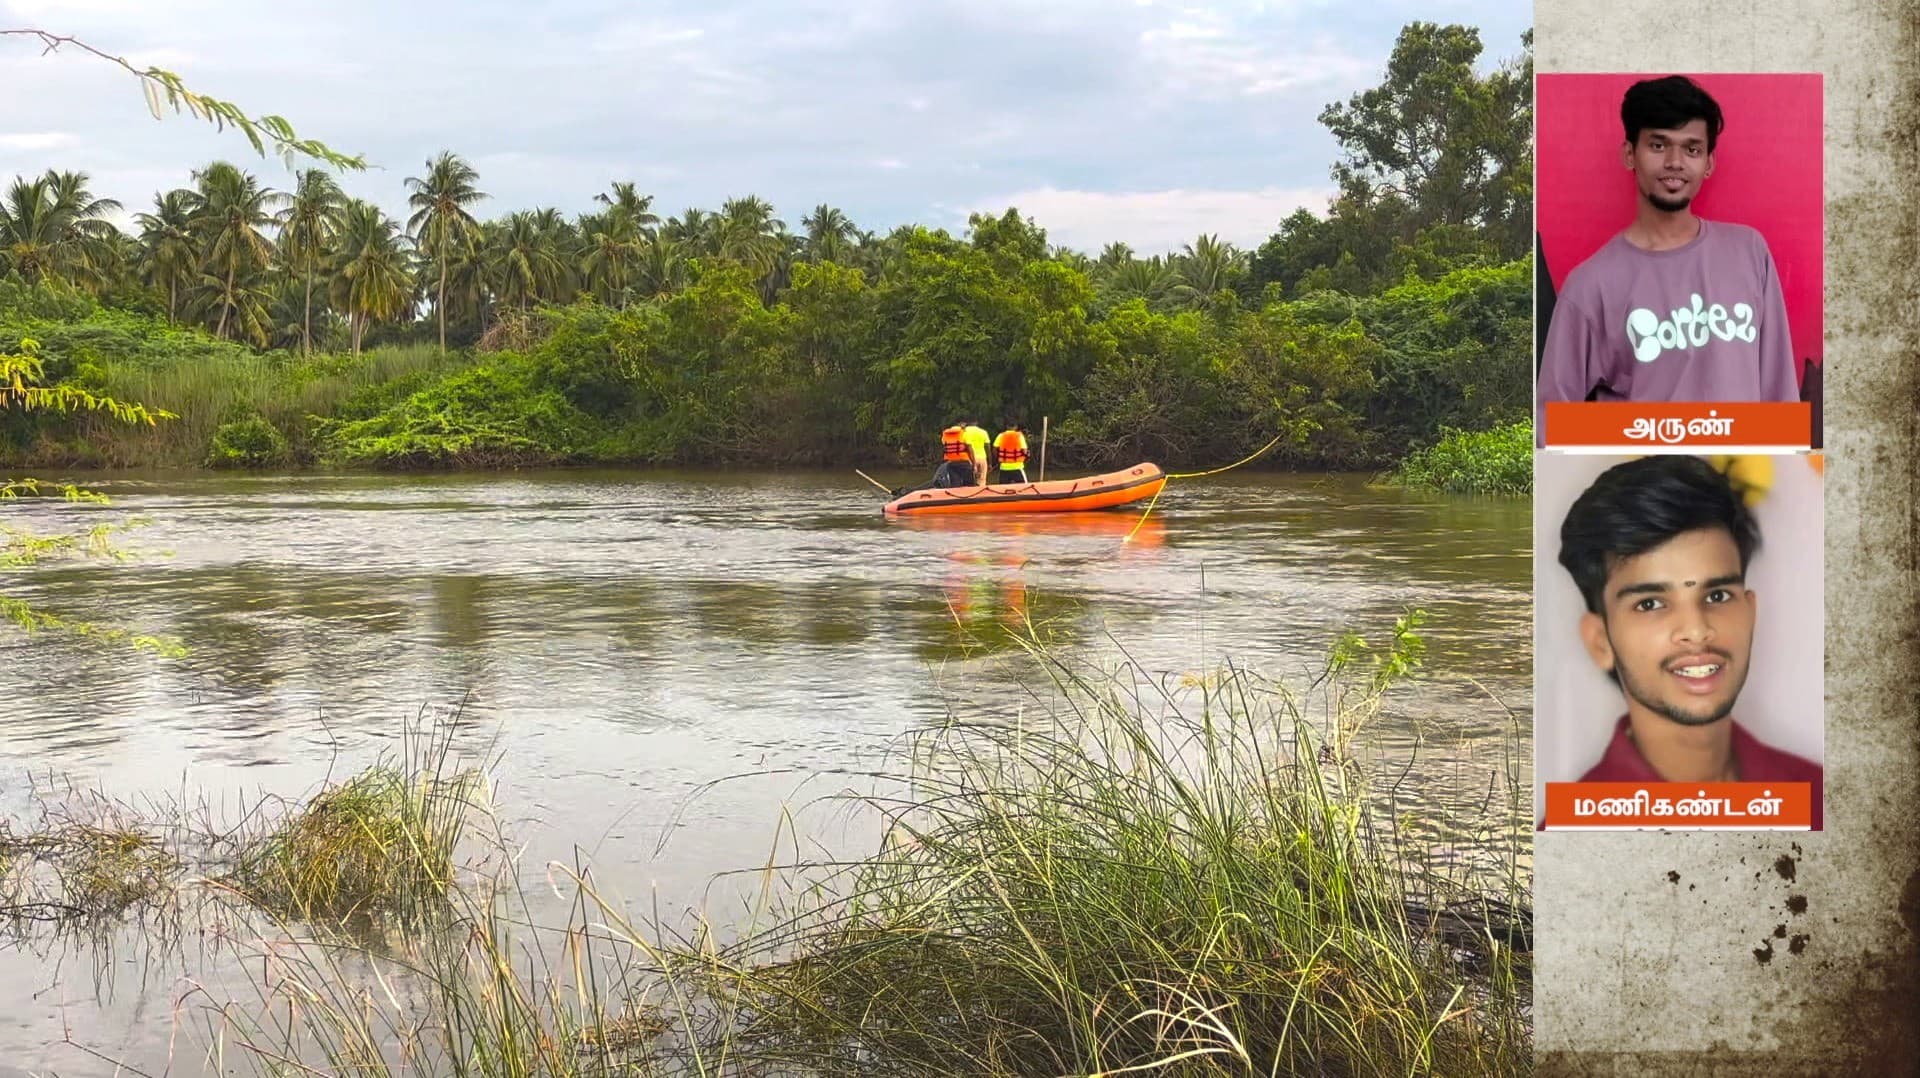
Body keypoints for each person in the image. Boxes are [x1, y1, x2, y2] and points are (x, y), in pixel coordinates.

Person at [1554, 454, 1822, 827]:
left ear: (1750, 613)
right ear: (1601, 642)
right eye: (1650, 604)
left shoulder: (1822, 798)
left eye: (1717, 596)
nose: (1696, 631)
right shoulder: (1572, 835)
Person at [1536, 76, 1799, 427]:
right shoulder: (1590, 285)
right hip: (1647, 464)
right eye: (1658, 145)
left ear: (1709, 163)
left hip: (1744, 463)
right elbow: (1552, 424)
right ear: (1630, 154)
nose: (1675, 162)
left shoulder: (1749, 253)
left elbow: (1780, 397)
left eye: (1692, 149)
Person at [960, 422, 991, 486]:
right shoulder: (983, 432)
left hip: (969, 459)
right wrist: (990, 462)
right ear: (976, 423)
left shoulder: (964, 432)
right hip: (982, 458)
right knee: (982, 481)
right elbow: (988, 447)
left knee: (970, 481)